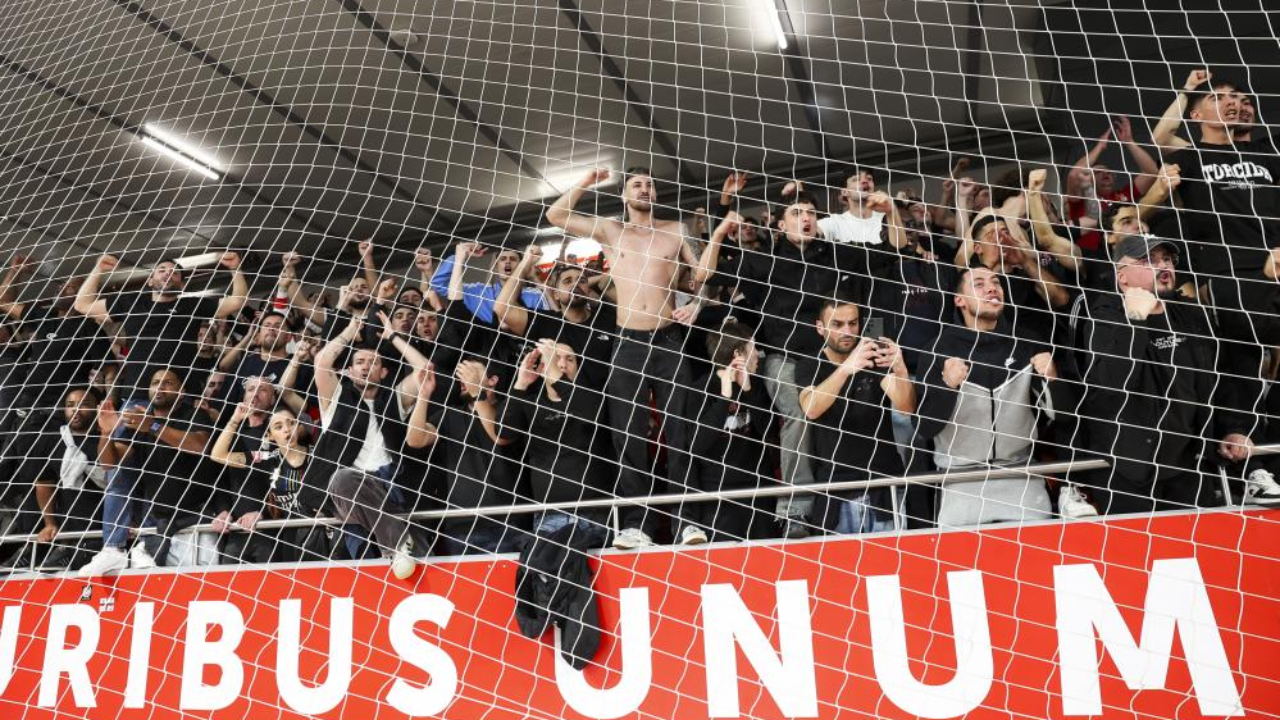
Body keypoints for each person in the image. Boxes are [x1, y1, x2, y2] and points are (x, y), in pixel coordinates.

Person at [702, 189, 902, 538]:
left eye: (810, 212)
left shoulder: (838, 254)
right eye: (796, 213)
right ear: (780, 225)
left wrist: (892, 212)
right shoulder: (761, 260)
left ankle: (886, 500)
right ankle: (795, 510)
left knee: (886, 409)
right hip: (785, 359)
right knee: (798, 412)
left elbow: (892, 253)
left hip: (836, 357)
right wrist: (720, 232)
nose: (806, 218)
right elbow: (703, 275)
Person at [545, 166, 723, 549]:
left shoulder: (675, 230)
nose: (645, 188)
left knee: (679, 433)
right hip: (627, 342)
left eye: (650, 183)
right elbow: (555, 216)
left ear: (656, 194)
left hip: (668, 339)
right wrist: (586, 183)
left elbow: (699, 276)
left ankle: (687, 522)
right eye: (637, 184)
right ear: (624, 195)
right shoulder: (612, 230)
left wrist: (699, 302)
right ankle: (635, 525)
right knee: (628, 435)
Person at [1079, 234, 1277, 513]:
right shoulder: (1103, 316)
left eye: (1166, 259)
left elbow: (1219, 378)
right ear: (1122, 277)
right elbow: (1112, 384)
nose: (1163, 266)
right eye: (1148, 260)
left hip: (1191, 466)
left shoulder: (1191, 314)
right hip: (1129, 472)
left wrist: (1232, 429)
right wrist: (1135, 321)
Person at [916, 266, 1076, 527]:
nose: (992, 288)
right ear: (959, 300)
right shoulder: (937, 349)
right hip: (960, 483)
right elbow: (925, 428)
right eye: (978, 284)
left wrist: (1053, 378)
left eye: (996, 282)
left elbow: (1065, 417)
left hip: (1022, 478)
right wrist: (948, 386)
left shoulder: (1027, 343)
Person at [306, 312, 433, 578]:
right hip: (352, 490)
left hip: (392, 487)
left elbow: (424, 371)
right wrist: (350, 332)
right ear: (349, 370)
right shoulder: (336, 397)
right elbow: (321, 362)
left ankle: (401, 547)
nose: (366, 366)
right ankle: (400, 543)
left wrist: (392, 336)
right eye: (360, 362)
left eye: (374, 362)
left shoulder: (394, 397)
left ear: (383, 372)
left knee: (424, 571)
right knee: (341, 479)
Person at [78, 368, 215, 575]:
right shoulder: (141, 421)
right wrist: (106, 434)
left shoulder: (194, 414)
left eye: (167, 382)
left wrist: (153, 427)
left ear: (182, 391)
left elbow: (199, 445)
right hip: (159, 522)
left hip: (197, 515)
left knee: (202, 582)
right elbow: (110, 463)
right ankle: (113, 549)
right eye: (155, 382)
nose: (159, 386)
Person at [797, 299, 915, 534]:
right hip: (839, 491)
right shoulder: (809, 365)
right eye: (837, 324)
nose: (847, 331)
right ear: (820, 327)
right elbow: (811, 408)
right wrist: (846, 369)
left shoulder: (873, 359)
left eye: (853, 323)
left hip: (884, 486)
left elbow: (906, 407)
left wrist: (901, 369)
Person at [74, 252, 248, 402]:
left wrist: (235, 268)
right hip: (138, 391)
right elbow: (82, 304)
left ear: (182, 285)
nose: (167, 274)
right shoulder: (131, 302)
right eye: (162, 270)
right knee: (126, 441)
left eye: (174, 273)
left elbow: (237, 301)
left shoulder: (192, 305)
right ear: (150, 280)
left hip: (181, 394)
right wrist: (98, 270)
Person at [491, 342, 611, 541]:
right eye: (554, 358)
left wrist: (555, 375)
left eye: (569, 359)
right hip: (549, 516)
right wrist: (520, 384)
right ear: (542, 365)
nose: (562, 364)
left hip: (595, 514)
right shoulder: (530, 404)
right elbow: (503, 433)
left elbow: (593, 414)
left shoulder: (593, 397)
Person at [683, 323, 778, 542]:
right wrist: (724, 400)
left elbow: (771, 433)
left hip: (759, 493)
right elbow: (697, 445)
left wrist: (749, 392)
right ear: (738, 354)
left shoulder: (756, 386)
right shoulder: (700, 388)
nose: (758, 355)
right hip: (718, 497)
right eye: (753, 348)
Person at [210, 404, 327, 563]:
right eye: (278, 427)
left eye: (291, 423)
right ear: (269, 435)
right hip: (288, 537)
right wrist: (235, 419)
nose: (287, 429)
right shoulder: (268, 458)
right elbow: (218, 455)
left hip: (321, 532)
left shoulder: (318, 455)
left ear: (299, 426)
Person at [14, 387, 110, 570]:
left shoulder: (107, 439)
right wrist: (49, 523)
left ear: (98, 408)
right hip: (69, 533)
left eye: (84, 405)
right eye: (70, 405)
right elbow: (44, 484)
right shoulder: (53, 441)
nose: (75, 409)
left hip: (104, 529)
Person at [818, 167, 909, 247]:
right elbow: (809, 233)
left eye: (869, 178)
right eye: (856, 179)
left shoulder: (886, 219)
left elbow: (900, 248)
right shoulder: (835, 222)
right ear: (844, 192)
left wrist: (891, 211)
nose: (865, 181)